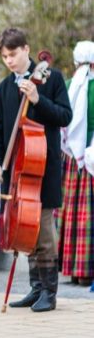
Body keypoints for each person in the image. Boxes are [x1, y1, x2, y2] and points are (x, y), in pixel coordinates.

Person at [0, 28, 71, 312]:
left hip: (42, 169)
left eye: (13, 54)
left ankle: (49, 291)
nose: (9, 61)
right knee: (25, 231)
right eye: (4, 57)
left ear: (26, 49)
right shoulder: (2, 90)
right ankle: (36, 288)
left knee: (44, 232)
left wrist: (37, 99)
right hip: (15, 173)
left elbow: (64, 116)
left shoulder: (52, 78)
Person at [60, 40, 94, 286]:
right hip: (91, 154)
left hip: (72, 157)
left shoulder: (69, 86)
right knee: (89, 212)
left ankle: (74, 267)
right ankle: (88, 268)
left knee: (71, 211)